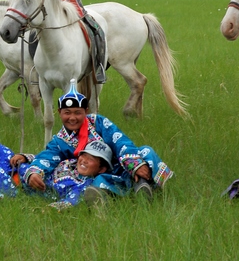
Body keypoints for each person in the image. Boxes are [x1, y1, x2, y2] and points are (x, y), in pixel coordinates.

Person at [22, 80, 174, 205]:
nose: (72, 118)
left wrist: (134, 164)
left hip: (122, 164)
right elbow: (47, 157)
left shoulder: (98, 122)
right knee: (98, 182)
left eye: (78, 113)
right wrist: (35, 171)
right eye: (67, 113)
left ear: (86, 111)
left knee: (146, 151)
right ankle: (104, 197)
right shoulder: (59, 140)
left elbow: (120, 141)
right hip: (98, 172)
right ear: (59, 113)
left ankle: (142, 184)